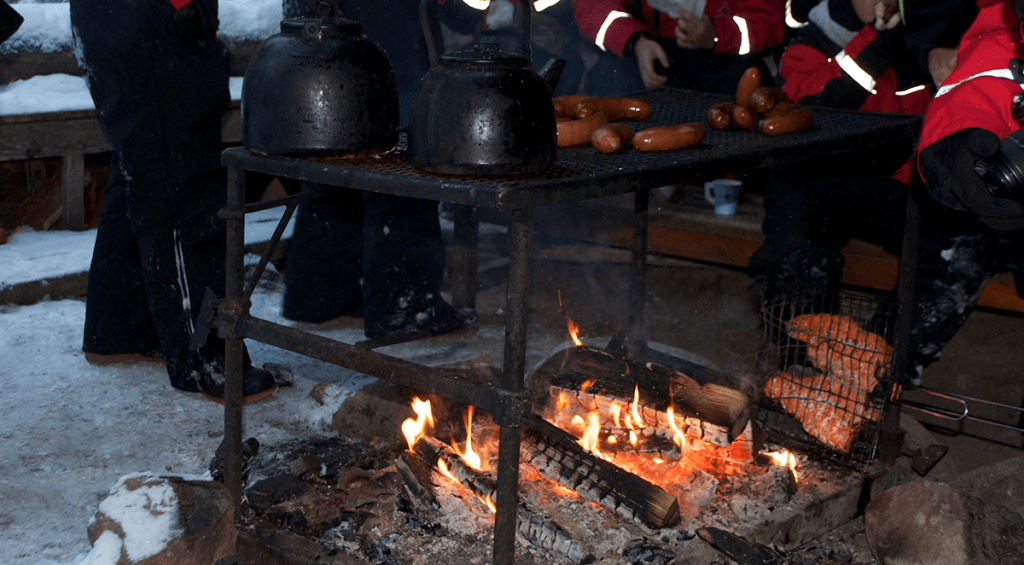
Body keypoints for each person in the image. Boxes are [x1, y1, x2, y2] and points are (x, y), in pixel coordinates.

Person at [749, 0, 998, 383]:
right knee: (794, 255)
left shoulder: (934, 42)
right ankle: (801, 368)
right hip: (817, 177)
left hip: (898, 183)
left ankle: (874, 373)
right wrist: (878, 41)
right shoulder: (817, 36)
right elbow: (810, 108)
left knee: (965, 251)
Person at [71, 0, 276, 401]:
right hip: (153, 15)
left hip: (119, 16)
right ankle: (205, 359)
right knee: (180, 172)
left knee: (145, 156)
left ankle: (120, 326)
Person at [280, 0, 473, 339]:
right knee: (398, 151)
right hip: (388, 23)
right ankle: (405, 303)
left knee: (340, 138)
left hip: (330, 21)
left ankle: (321, 292)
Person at [573, 0, 786, 94]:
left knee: (751, 76)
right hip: (650, 51)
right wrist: (634, 41)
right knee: (611, 73)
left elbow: (767, 22)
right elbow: (591, 6)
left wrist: (716, 35)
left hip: (723, 59)